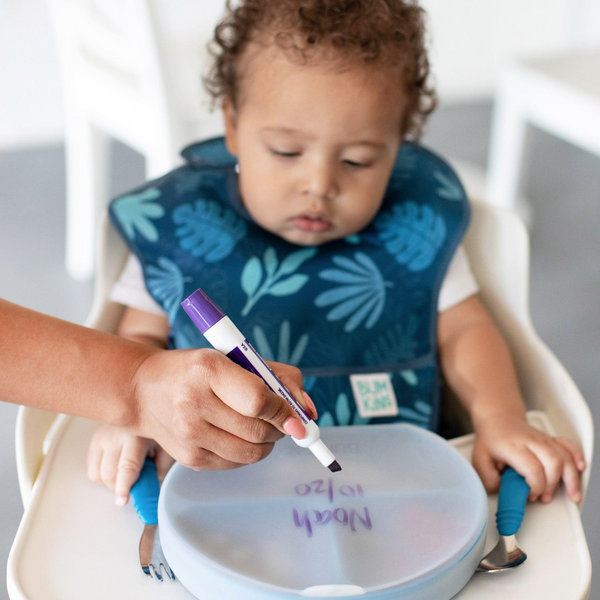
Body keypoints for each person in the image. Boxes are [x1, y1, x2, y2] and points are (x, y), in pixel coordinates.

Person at [87, 0, 585, 508]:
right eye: (286, 152)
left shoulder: (411, 227)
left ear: (398, 146)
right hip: (227, 497)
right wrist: (134, 416)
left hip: (400, 494)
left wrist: (501, 418)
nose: (320, 185)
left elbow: (466, 331)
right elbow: (140, 339)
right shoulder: (178, 223)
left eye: (358, 160)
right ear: (233, 126)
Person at [0, 298, 308, 475]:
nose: (319, 185)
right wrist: (135, 407)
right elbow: (140, 336)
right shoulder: (168, 230)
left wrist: (140, 394)